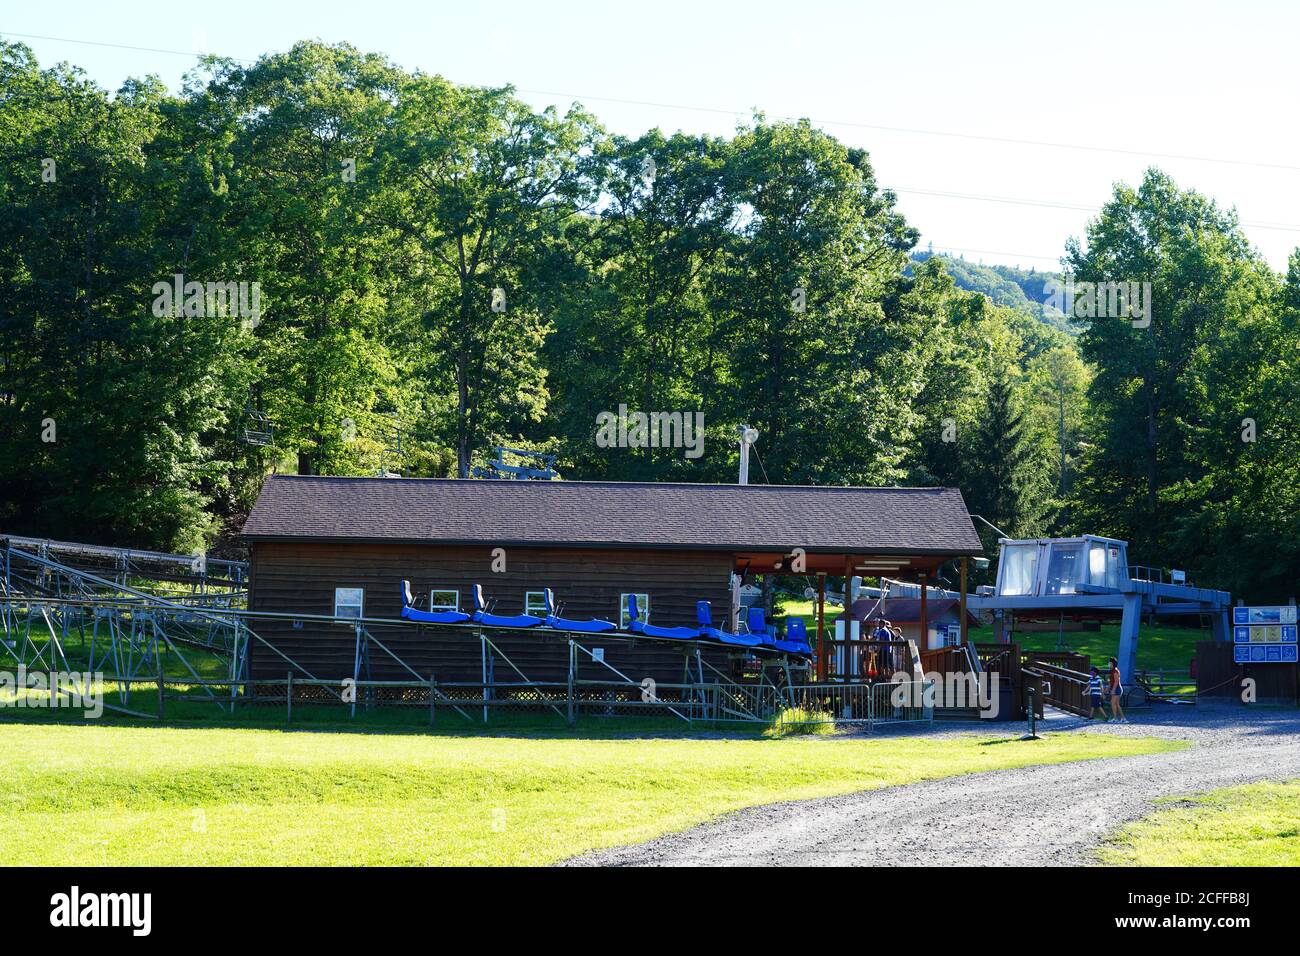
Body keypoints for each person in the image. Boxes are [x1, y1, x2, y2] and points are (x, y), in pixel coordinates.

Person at [1108, 656, 1127, 723]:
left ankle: (1116, 718)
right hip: (1116, 689)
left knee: (1113, 703)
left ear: (1113, 663)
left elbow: (1116, 682)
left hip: (1117, 689)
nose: (1109, 664)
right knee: (1116, 704)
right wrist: (1108, 688)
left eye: (1110, 663)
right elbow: (1111, 682)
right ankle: (1123, 718)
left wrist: (1113, 690)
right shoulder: (1112, 671)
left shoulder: (1115, 671)